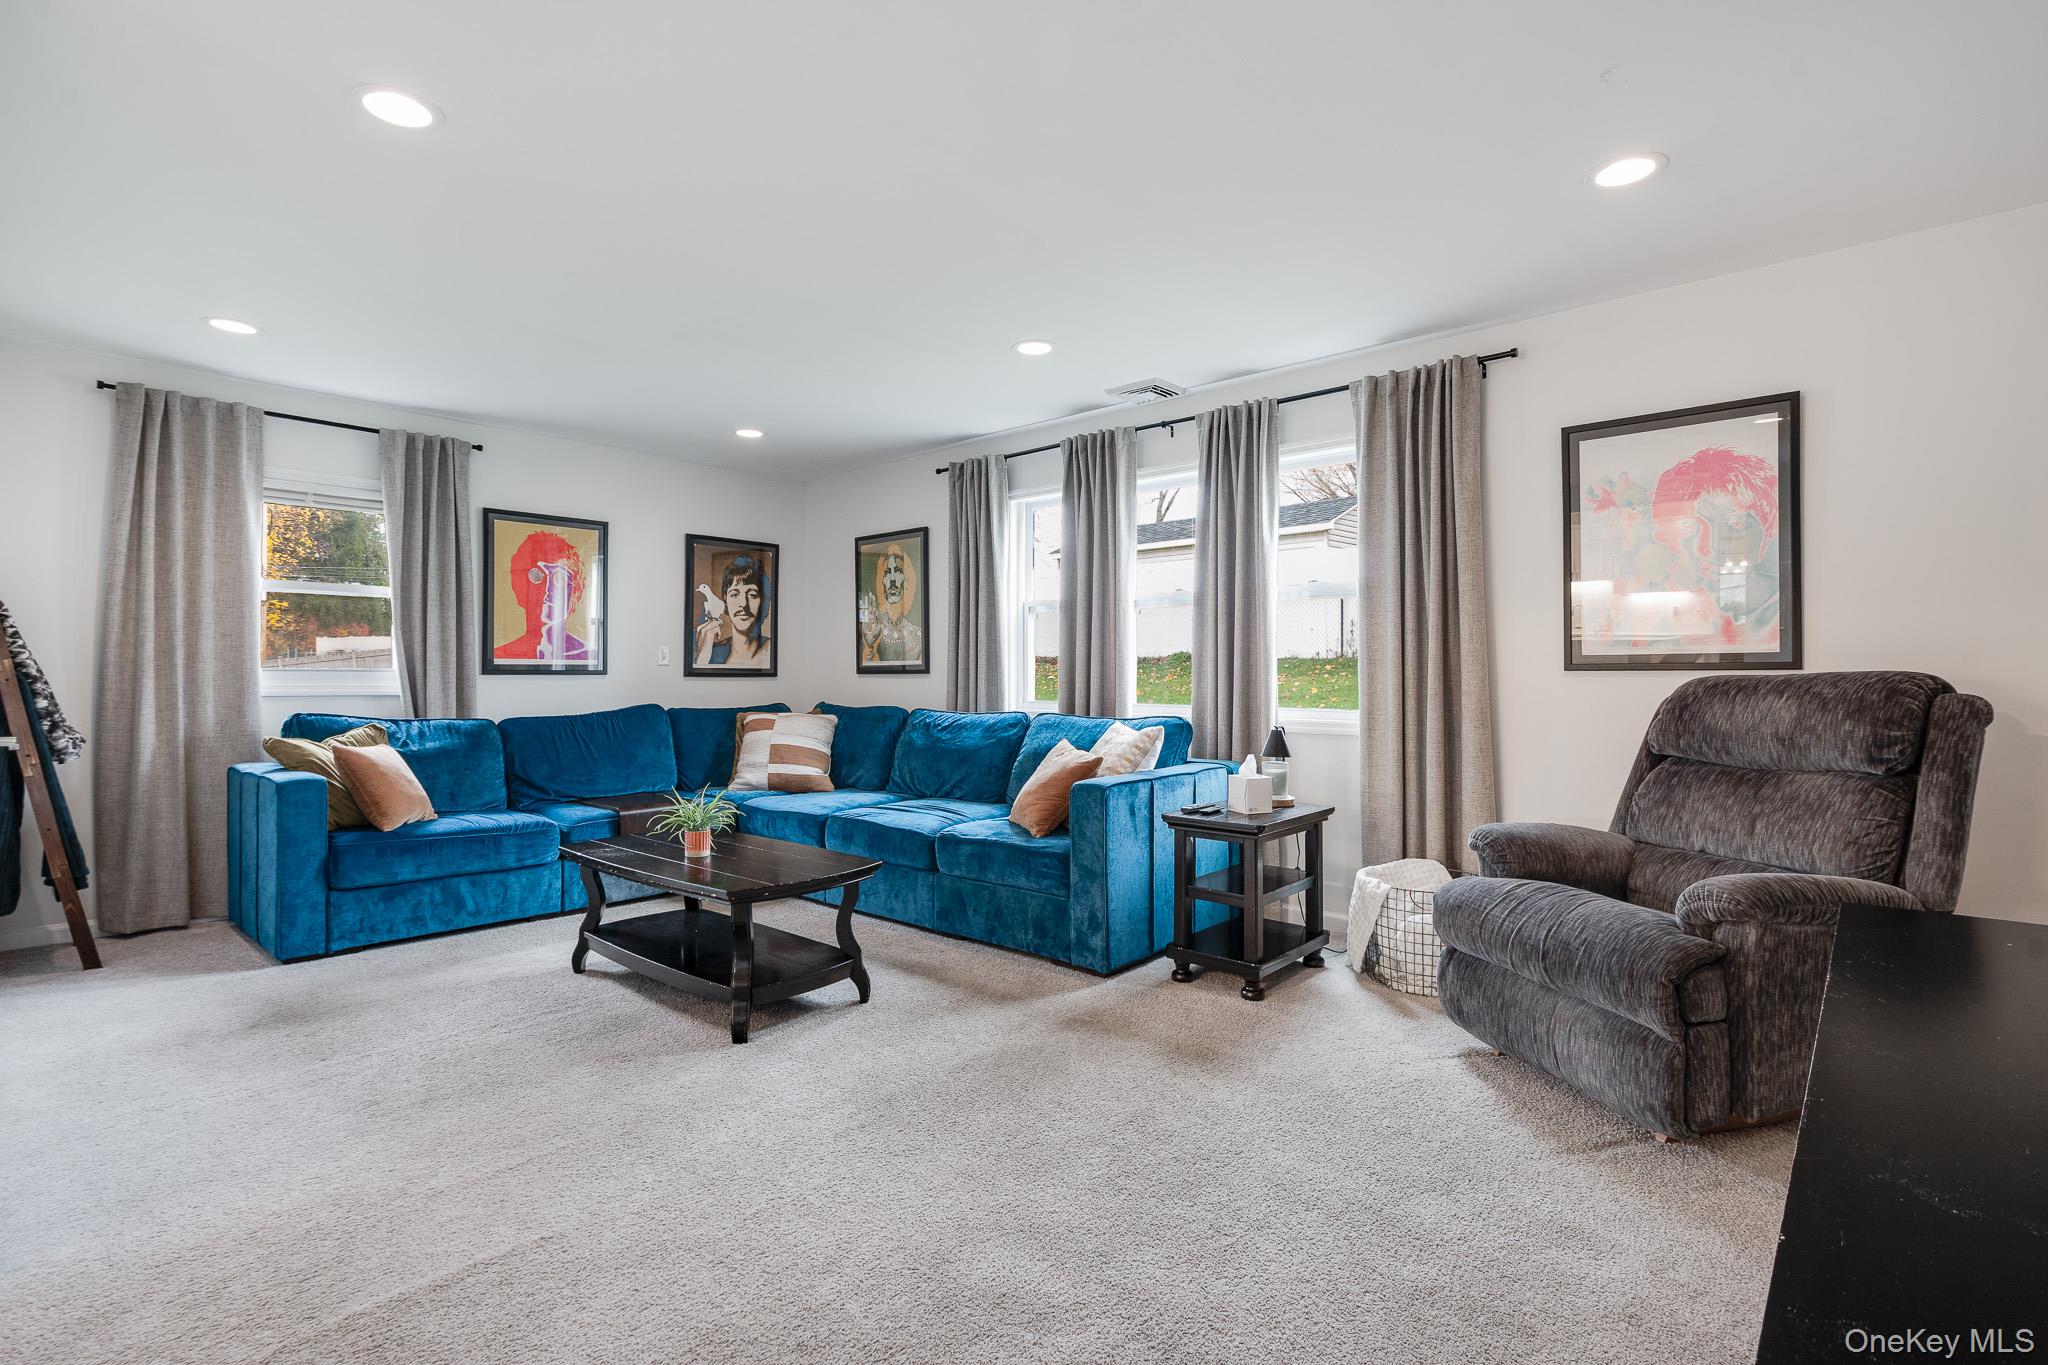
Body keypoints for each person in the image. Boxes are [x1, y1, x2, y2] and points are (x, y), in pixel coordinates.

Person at [494, 531, 591, 662]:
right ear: (517, 586)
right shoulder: (499, 656)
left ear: (576, 589)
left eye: (560, 578)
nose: (548, 590)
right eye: (536, 576)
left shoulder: (590, 656)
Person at [695, 553, 773, 668]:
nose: (743, 604)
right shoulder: (712, 652)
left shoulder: (773, 650)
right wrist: (701, 659)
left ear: (764, 603)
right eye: (735, 594)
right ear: (725, 601)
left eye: (752, 595)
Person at [859, 541, 922, 665]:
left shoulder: (918, 637)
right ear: (881, 580)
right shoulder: (871, 632)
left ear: (907, 578)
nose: (892, 579)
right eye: (887, 572)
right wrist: (869, 647)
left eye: (898, 571)